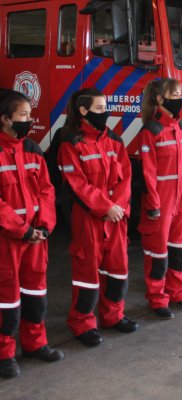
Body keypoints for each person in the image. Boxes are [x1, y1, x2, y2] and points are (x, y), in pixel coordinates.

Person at [58, 88, 138, 347]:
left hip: (116, 216)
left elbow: (126, 176)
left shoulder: (113, 140)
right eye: (100, 109)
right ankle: (83, 324)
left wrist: (119, 207)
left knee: (117, 270)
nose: (106, 113)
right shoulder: (71, 142)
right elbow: (76, 184)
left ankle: (113, 316)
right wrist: (106, 207)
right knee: (87, 274)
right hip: (88, 218)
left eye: (105, 108)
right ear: (83, 111)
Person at [0, 90, 63, 378]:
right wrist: (23, 230)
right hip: (8, 239)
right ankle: (4, 353)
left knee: (35, 292)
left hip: (36, 237)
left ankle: (35, 343)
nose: (29, 120)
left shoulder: (33, 149)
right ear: (4, 119)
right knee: (7, 298)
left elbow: (46, 190)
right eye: (23, 116)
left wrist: (45, 226)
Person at [138, 79, 182, 319]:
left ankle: (177, 292)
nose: (179, 98)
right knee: (157, 252)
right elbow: (148, 171)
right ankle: (157, 298)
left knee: (179, 248)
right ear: (159, 99)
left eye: (180, 94)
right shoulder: (151, 131)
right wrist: (153, 203)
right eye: (174, 94)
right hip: (161, 198)